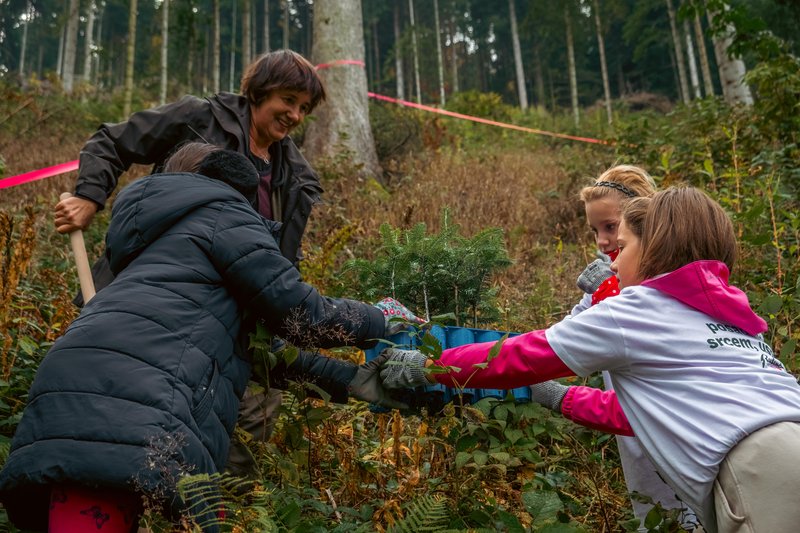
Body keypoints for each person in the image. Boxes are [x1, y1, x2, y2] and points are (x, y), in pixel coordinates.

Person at [0, 145, 412, 532]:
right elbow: (304, 316)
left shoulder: (148, 241)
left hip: (74, 392)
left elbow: (254, 351)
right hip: (137, 405)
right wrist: (383, 317)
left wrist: (352, 381)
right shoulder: (220, 213)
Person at [380, 186, 800, 533]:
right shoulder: (731, 321)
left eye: (622, 246)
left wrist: (427, 365)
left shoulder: (638, 309)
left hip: (759, 471)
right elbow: (640, 415)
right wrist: (557, 397)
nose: (613, 260)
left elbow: (522, 356)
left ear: (653, 247)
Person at [53, 49, 331, 478]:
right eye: (288, 100)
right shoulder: (200, 118)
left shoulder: (294, 175)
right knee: (131, 409)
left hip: (231, 317)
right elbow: (112, 140)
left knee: (255, 412)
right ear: (260, 91)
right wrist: (90, 196)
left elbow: (279, 259)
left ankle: (213, 512)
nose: (294, 115)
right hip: (157, 301)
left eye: (303, 108)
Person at [534, 165, 701, 530]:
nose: (601, 241)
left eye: (611, 227)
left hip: (680, 432)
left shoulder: (677, 274)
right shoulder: (603, 278)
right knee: (653, 514)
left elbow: (648, 317)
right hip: (630, 429)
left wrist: (612, 292)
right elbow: (565, 337)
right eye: (595, 230)